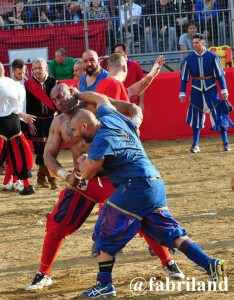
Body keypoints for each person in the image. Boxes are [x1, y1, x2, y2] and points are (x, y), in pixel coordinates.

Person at [26, 83, 183, 290]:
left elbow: (133, 108)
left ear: (71, 92)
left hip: (113, 177)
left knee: (142, 218)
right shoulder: (59, 122)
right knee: (58, 222)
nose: (58, 102)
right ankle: (43, 273)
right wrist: (65, 175)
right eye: (54, 100)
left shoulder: (97, 105)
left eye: (61, 96)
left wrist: (135, 123)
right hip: (84, 179)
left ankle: (168, 262)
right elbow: (48, 156)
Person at [70, 91, 225, 298]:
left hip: (135, 186)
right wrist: (79, 93)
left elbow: (88, 173)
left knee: (103, 230)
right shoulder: (110, 116)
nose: (74, 136)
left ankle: (105, 284)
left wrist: (82, 162)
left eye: (74, 130)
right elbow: (100, 98)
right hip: (154, 182)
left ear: (84, 127)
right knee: (171, 232)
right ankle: (210, 264)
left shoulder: (101, 139)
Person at [179, 33, 230, 153]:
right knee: (196, 118)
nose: (194, 45)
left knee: (219, 116)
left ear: (203, 43)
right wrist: (182, 93)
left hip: (211, 90)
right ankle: (195, 144)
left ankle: (226, 143)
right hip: (196, 90)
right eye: (193, 43)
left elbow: (220, 75)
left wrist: (224, 90)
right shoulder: (188, 59)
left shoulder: (213, 57)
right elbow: (184, 78)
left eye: (197, 43)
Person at [0, 62, 35, 195]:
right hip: (14, 121)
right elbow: (17, 106)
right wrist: (22, 115)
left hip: (1, 122)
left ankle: (13, 182)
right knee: (18, 154)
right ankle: (27, 185)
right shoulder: (13, 84)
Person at [25, 57, 59, 189]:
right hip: (36, 122)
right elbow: (25, 105)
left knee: (50, 150)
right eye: (34, 68)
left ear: (46, 68)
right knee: (41, 151)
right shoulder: (28, 84)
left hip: (52, 120)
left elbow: (60, 101)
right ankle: (50, 178)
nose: (37, 71)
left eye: (40, 68)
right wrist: (29, 122)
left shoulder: (54, 82)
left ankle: (44, 177)